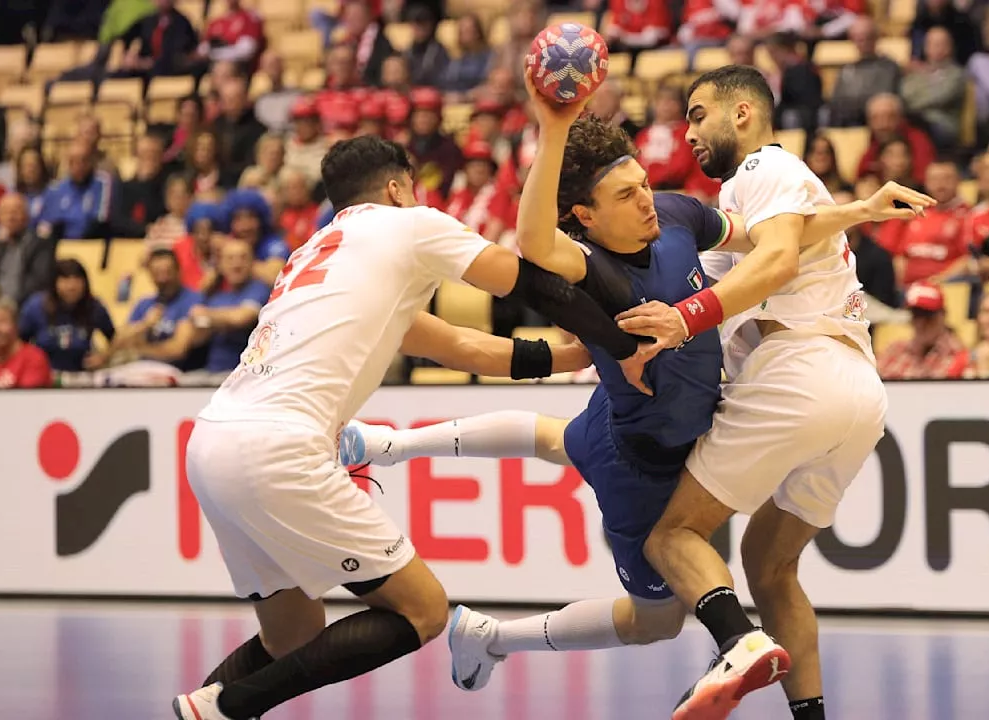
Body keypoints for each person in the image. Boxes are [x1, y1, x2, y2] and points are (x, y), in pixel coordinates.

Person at [340, 75, 810, 703]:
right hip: (641, 467)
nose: (646, 198)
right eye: (626, 193)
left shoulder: (675, 213)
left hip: (627, 423)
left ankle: (390, 448)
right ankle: (500, 638)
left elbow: (770, 232)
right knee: (658, 621)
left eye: (643, 182)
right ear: (586, 216)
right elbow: (532, 238)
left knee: (554, 438)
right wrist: (553, 127)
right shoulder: (588, 265)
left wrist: (847, 215)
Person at [170, 135, 655, 720]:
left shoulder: (318, 253)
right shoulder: (410, 225)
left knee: (291, 633)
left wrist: (575, 358)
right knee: (423, 611)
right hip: (280, 446)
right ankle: (225, 707)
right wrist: (618, 340)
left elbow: (460, 344)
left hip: (213, 440)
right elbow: (525, 280)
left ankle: (203, 709)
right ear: (398, 188)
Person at [613, 65, 934, 720]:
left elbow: (780, 258)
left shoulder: (760, 165)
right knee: (769, 563)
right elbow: (794, 234)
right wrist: (863, 209)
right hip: (857, 394)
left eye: (698, 114)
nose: (687, 131)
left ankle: (738, 642)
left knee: (671, 536)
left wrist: (686, 317)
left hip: (798, 370)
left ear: (742, 113)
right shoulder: (761, 196)